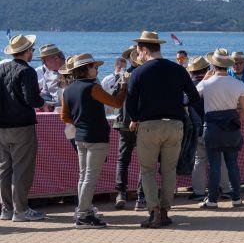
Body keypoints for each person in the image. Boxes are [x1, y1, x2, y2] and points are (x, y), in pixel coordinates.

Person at [124, 30, 201, 228]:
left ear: (143, 50)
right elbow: (194, 97)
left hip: (149, 125)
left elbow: (130, 104)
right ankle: (165, 211)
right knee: (169, 170)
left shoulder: (138, 72)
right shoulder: (178, 69)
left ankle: (154, 212)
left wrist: (136, 118)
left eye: (138, 51)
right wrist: (180, 105)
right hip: (175, 124)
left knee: (147, 170)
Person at [59, 54, 126, 227]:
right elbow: (116, 103)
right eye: (95, 67)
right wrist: (124, 86)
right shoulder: (93, 87)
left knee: (83, 176)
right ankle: (83, 213)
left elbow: (64, 116)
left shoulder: (68, 89)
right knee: (90, 177)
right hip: (96, 137)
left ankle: (84, 210)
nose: (97, 70)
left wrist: (80, 122)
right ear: (87, 69)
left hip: (80, 136)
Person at [193, 51, 244, 209]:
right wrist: (235, 117)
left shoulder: (206, 84)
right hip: (231, 126)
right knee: (232, 164)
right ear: (228, 65)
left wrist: (204, 80)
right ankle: (236, 199)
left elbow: (191, 97)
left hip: (212, 127)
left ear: (213, 65)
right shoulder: (238, 83)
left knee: (214, 165)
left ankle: (212, 200)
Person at [0, 34, 46, 222]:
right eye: (32, 50)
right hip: (22, 125)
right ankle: (21, 210)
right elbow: (32, 100)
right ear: (26, 51)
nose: (32, 52)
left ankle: (6, 209)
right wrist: (43, 101)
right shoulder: (27, 71)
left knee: (4, 169)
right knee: (22, 169)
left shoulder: (2, 69)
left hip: (2, 126)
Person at [187, 56, 230, 202]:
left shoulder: (190, 86)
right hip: (216, 127)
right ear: (206, 69)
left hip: (197, 128)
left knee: (199, 160)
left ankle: (199, 191)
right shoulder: (213, 83)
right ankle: (225, 189)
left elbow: (185, 102)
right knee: (220, 160)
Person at [110, 46, 145, 211]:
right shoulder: (146, 74)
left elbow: (114, 98)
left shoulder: (123, 76)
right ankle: (141, 197)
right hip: (143, 122)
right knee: (145, 162)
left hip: (125, 122)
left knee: (123, 159)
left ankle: (121, 194)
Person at [36, 43, 66, 111]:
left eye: (44, 61)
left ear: (56, 58)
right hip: (56, 110)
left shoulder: (72, 71)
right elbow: (45, 94)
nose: (44, 64)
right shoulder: (47, 74)